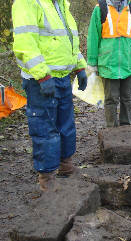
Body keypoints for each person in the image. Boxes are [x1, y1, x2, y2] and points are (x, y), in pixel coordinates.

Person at [12, 0, 88, 192]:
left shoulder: (61, 4)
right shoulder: (27, 2)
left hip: (62, 76)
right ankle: (47, 178)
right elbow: (25, 43)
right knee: (44, 128)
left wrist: (80, 66)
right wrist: (42, 75)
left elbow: (70, 41)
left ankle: (66, 166)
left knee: (66, 124)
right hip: (40, 80)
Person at [87, 0, 131, 127]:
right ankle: (111, 132)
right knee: (110, 100)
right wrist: (92, 63)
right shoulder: (100, 9)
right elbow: (93, 37)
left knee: (128, 100)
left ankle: (126, 129)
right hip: (108, 64)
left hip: (129, 63)